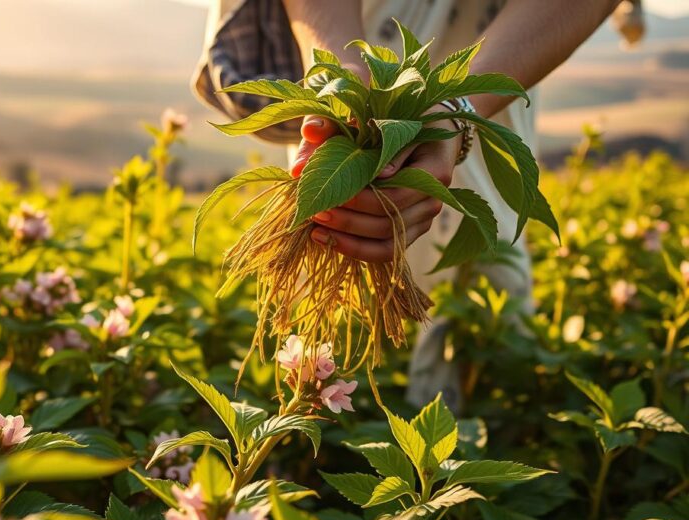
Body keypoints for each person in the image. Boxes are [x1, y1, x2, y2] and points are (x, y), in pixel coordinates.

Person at [192, 0, 642, 410]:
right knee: (323, 328)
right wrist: (338, 72)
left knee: (481, 322)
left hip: (499, 63)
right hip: (353, 67)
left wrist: (458, 109)